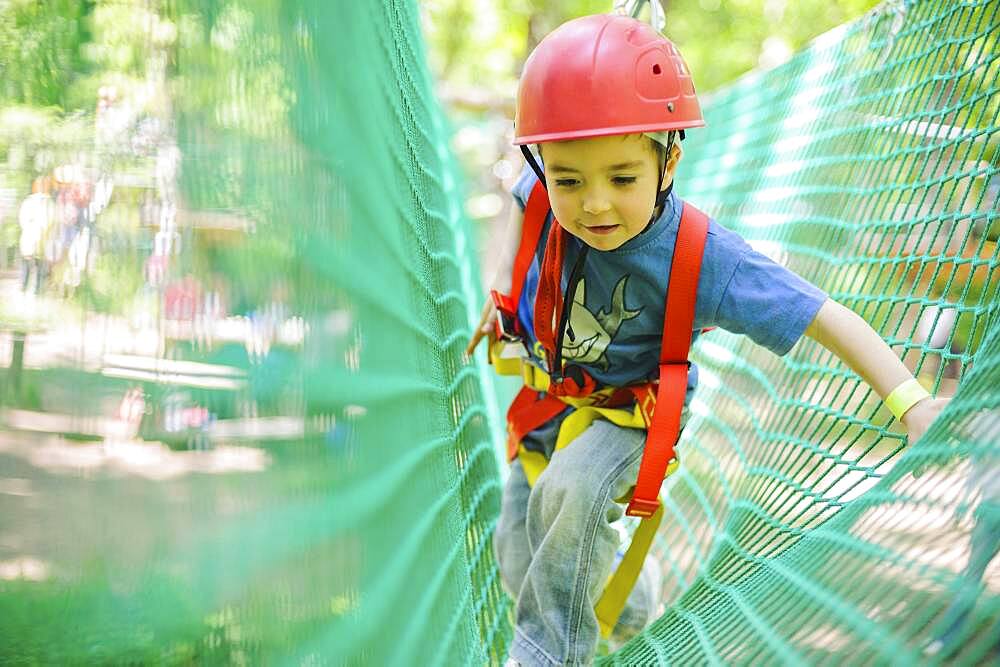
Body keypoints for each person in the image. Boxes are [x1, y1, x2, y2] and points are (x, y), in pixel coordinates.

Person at [465, 13, 950, 666]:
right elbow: (518, 205)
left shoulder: (705, 258)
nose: (595, 204)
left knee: (572, 492)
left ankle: (548, 658)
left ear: (669, 160)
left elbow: (822, 314)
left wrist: (912, 403)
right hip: (549, 402)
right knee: (519, 552)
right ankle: (633, 601)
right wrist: (503, 295)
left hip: (629, 414)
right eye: (569, 179)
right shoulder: (543, 192)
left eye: (623, 177)